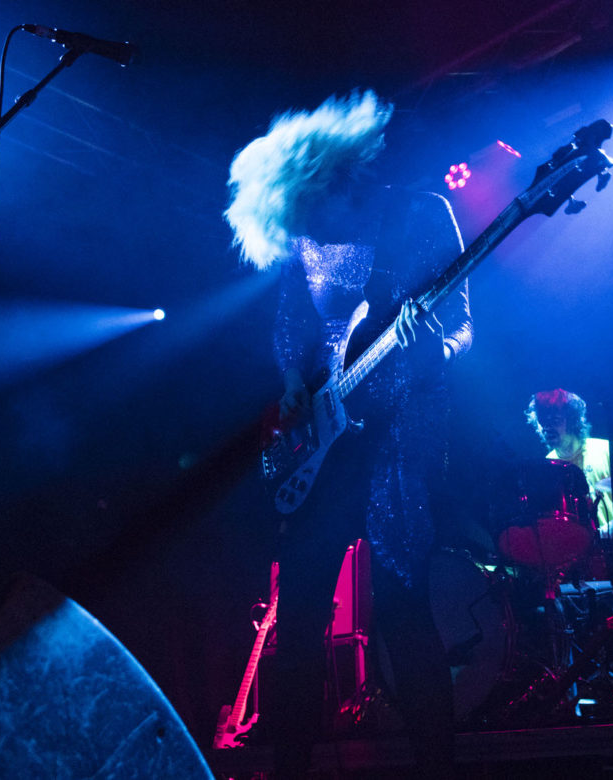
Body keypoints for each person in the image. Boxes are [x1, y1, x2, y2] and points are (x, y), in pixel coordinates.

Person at [225, 91, 472, 777]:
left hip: (399, 431)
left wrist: (430, 350)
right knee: (299, 619)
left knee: (400, 608)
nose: (313, 217)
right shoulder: (304, 229)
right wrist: (293, 386)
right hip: (322, 438)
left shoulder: (421, 213)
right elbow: (290, 331)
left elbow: (462, 328)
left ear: (342, 172)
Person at [525, 388, 613, 535]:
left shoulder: (606, 449)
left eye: (554, 420)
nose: (547, 428)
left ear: (572, 420)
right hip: (581, 555)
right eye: (542, 421)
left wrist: (608, 532)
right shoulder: (547, 467)